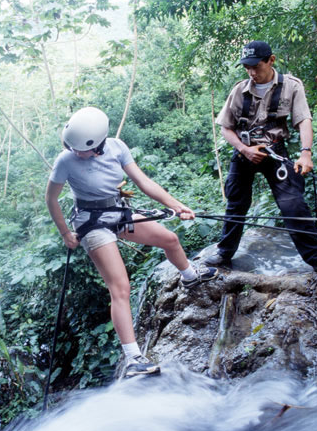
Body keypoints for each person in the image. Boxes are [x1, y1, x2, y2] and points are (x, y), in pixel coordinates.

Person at [46, 107, 218, 378]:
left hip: (117, 212)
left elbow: (143, 182)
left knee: (170, 239)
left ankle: (189, 276)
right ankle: (133, 358)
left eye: (81, 149)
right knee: (120, 287)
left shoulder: (117, 148)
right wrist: (65, 232)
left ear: (99, 143)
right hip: (91, 222)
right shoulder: (65, 160)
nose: (76, 153)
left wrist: (178, 206)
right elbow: (51, 199)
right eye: (73, 148)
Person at [204, 41, 317, 276]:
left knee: (294, 204)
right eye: (247, 67)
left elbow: (303, 120)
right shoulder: (239, 90)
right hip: (245, 151)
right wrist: (244, 149)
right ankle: (224, 252)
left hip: (275, 152)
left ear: (271, 60)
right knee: (236, 204)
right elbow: (226, 128)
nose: (251, 72)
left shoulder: (291, 86)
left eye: (256, 66)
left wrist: (305, 153)